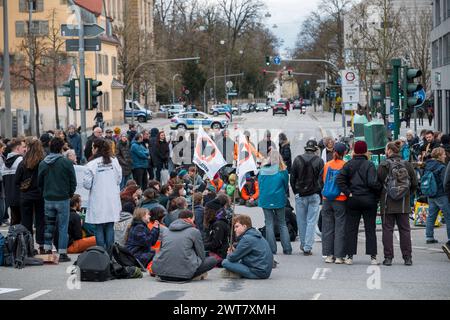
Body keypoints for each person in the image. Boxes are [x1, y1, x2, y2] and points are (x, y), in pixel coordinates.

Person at [337, 141, 381, 265]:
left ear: (354, 150)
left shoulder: (348, 164)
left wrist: (348, 192)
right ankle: (373, 257)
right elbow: (373, 183)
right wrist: (376, 195)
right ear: (366, 151)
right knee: (370, 229)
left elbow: (340, 180)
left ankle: (349, 256)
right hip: (368, 200)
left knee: (351, 228)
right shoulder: (370, 164)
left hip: (353, 199)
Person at [378, 141, 417, 266]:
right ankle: (407, 258)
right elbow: (415, 183)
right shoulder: (407, 164)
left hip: (387, 203)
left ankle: (388, 258)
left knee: (387, 230)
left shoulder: (384, 165)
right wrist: (406, 194)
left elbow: (377, 183)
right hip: (403, 203)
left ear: (389, 150)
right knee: (405, 230)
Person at [38, 137, 77, 262]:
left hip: (48, 198)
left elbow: (39, 182)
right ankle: (62, 253)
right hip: (63, 198)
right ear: (61, 148)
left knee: (49, 225)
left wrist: (45, 193)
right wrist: (70, 194)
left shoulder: (43, 163)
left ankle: (48, 249)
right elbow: (73, 181)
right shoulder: (66, 163)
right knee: (62, 227)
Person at [152, 210, 217, 282]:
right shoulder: (194, 231)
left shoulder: (166, 231)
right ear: (189, 219)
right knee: (213, 260)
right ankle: (192, 275)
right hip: (184, 275)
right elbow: (201, 254)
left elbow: (161, 250)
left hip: (162, 274)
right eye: (193, 219)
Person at [83, 139, 122, 254]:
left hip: (98, 201)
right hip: (111, 200)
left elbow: (87, 185)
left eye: (92, 147)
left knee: (99, 228)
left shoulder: (91, 165)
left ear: (96, 148)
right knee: (110, 227)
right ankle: (110, 256)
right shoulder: (114, 162)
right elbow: (119, 180)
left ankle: (101, 255)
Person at [290, 140, 324, 255]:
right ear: (315, 149)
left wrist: (296, 192)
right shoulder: (319, 161)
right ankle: (307, 247)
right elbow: (321, 179)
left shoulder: (297, 159)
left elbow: (292, 178)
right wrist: (319, 191)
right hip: (314, 194)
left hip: (300, 194)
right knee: (311, 221)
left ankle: (303, 243)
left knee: (301, 221)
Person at [258, 150, 292, 255]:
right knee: (282, 223)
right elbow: (286, 186)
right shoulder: (282, 170)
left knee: (269, 223)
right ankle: (287, 249)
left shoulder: (262, 170)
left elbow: (260, 185)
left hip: (265, 198)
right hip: (279, 198)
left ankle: (272, 249)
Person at [15, 139, 45, 254]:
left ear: (28, 148)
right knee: (40, 222)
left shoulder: (23, 162)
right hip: (40, 195)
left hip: (26, 196)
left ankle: (28, 247)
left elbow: (16, 181)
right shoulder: (42, 162)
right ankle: (42, 246)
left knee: (26, 222)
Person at [221, 214, 273, 279]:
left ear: (244, 226)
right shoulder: (254, 234)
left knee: (225, 262)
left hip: (258, 273)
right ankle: (236, 272)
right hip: (263, 270)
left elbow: (232, 258)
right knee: (236, 261)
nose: (234, 230)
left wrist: (230, 253)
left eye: (237, 227)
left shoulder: (247, 238)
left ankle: (238, 273)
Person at [320, 143, 347, 264]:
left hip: (327, 199)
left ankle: (328, 255)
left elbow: (323, 180)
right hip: (340, 199)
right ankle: (339, 256)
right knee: (340, 228)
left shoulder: (327, 165)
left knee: (327, 228)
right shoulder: (345, 165)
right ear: (344, 153)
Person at [424, 148, 450, 245]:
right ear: (439, 156)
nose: (445, 156)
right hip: (441, 195)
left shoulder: (428, 165)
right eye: (443, 154)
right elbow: (445, 182)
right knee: (448, 217)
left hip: (431, 194)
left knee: (431, 216)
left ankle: (429, 237)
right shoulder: (442, 167)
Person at [2, 138, 26, 225]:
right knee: (23, 223)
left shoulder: (5, 163)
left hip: (10, 198)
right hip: (21, 196)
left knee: (14, 222)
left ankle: (13, 238)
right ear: (18, 148)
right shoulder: (21, 161)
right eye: (23, 147)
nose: (25, 149)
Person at [203, 198, 230, 265]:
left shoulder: (219, 224)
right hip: (214, 252)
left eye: (206, 209)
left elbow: (216, 243)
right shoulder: (214, 222)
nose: (204, 212)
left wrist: (201, 245)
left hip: (219, 255)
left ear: (211, 211)